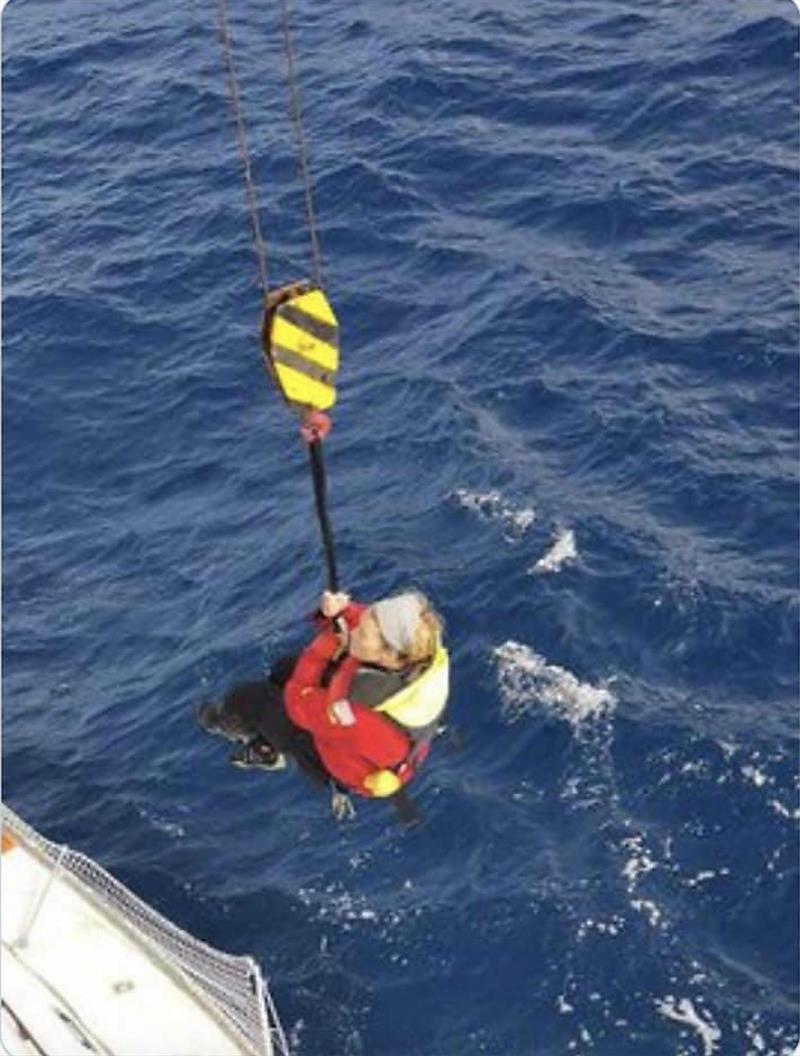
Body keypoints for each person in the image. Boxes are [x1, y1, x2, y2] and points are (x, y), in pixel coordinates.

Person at [198, 588, 448, 818]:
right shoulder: (422, 644)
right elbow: (371, 622)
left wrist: (329, 641)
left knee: (250, 700)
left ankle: (240, 736)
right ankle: (268, 739)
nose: (357, 629)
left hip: (339, 759)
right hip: (378, 745)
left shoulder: (350, 711)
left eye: (363, 633)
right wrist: (343, 612)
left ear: (389, 655)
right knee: (284, 668)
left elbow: (296, 700)